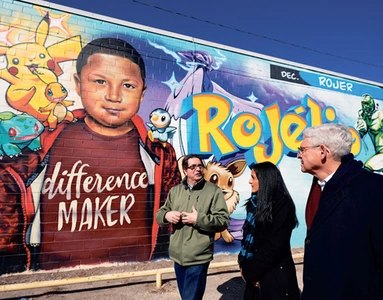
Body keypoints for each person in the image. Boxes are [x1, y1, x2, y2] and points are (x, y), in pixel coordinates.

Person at [0, 37, 181, 272]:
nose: (114, 96)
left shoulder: (159, 153)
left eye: (128, 86)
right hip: (49, 282)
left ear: (143, 93)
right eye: (99, 81)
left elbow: (171, 214)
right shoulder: (40, 146)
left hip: (138, 277)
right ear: (77, 83)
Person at [297, 123, 383, 299]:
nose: (298, 155)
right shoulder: (319, 187)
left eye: (302, 149)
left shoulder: (382, 192)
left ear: (322, 151)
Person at [156, 154, 229, 300]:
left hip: (199, 255)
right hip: (178, 255)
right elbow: (160, 215)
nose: (197, 169)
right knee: (186, 296)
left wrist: (199, 219)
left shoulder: (213, 191)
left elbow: (223, 220)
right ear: (185, 170)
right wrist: (167, 215)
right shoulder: (175, 191)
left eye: (200, 166)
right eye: (193, 167)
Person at [238, 161, 300, 300]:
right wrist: (244, 265)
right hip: (254, 271)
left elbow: (275, 246)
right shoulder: (254, 203)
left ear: (265, 180)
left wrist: (250, 272)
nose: (249, 181)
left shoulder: (282, 205)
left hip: (274, 273)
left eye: (253, 177)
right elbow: (248, 240)